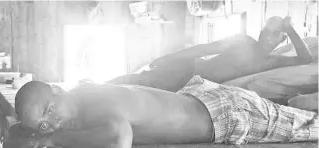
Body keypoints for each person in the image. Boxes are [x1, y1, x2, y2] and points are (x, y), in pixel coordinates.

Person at [13, 78, 318, 148]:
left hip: (226, 114)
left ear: (57, 90)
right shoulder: (79, 97)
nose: (51, 123)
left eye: (50, 111)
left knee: (308, 126)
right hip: (204, 99)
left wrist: (52, 139)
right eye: (43, 124)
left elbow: (118, 146)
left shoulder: (94, 101)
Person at [107, 16, 314, 92]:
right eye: (267, 32)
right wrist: (167, 58)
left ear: (281, 40)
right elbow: (203, 49)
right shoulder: (242, 41)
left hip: (195, 87)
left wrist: (291, 30)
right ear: (260, 32)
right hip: (186, 71)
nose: (269, 38)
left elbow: (306, 61)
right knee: (141, 81)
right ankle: (94, 88)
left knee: (140, 93)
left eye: (276, 35)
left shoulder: (271, 62)